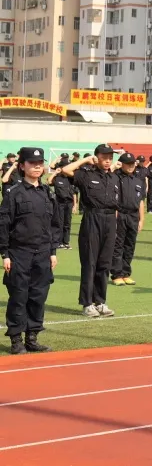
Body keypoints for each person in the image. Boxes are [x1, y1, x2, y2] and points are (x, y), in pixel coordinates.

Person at [0, 147, 61, 354]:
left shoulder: (47, 193)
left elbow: (54, 225)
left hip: (43, 253)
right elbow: (4, 224)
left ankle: (32, 337)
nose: (37, 166)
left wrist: (53, 251)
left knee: (38, 296)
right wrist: (5, 254)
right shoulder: (13, 193)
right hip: (19, 253)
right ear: (22, 166)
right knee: (18, 296)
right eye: (32, 163)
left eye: (40, 163)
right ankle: (16, 340)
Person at [62, 145, 120, 318]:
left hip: (110, 220)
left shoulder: (114, 177)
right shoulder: (86, 175)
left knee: (104, 264)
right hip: (92, 219)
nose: (108, 160)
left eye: (110, 157)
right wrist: (86, 160)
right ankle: (87, 303)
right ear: (97, 157)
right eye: (104, 156)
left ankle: (100, 302)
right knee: (90, 263)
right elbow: (65, 170)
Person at [110, 153, 146, 286]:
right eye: (128, 163)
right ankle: (117, 274)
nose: (131, 166)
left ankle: (126, 273)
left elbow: (141, 201)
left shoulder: (138, 180)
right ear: (122, 164)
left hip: (133, 216)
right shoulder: (115, 177)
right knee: (118, 245)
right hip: (119, 214)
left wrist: (142, 219)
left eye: (132, 163)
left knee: (130, 245)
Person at [47, 162, 76, 251]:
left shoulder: (70, 179)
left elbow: (74, 193)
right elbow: (48, 182)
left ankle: (66, 242)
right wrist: (55, 172)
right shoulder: (57, 178)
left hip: (69, 203)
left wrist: (75, 205)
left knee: (67, 223)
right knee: (59, 223)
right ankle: (58, 242)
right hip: (59, 203)